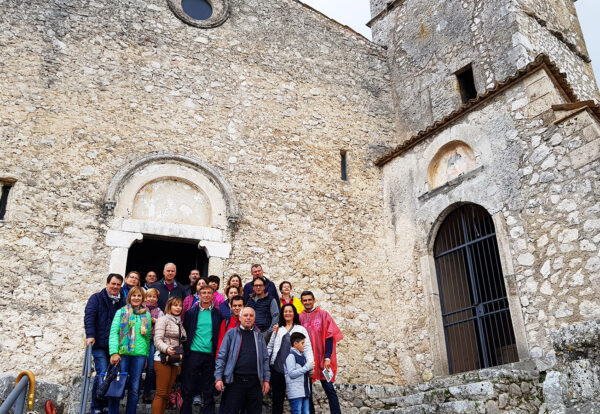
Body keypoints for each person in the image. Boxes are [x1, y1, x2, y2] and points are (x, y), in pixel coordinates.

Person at [215, 307, 270, 414]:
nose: (248, 318)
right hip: (235, 383)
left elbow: (265, 359)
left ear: (254, 318)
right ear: (240, 318)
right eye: (245, 315)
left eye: (251, 315)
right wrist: (218, 378)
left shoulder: (259, 336)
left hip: (255, 384)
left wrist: (266, 380)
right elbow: (221, 356)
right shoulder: (231, 333)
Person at [84, 273, 126, 414]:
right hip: (99, 344)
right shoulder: (96, 298)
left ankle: (107, 404)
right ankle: (96, 407)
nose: (115, 287)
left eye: (118, 284)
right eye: (113, 283)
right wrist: (90, 335)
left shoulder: (123, 302)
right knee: (102, 372)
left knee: (111, 374)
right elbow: (89, 316)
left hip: (114, 346)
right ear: (107, 284)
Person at [107, 287, 152, 414]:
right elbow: (114, 333)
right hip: (123, 355)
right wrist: (114, 352)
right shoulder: (121, 312)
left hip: (139, 355)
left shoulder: (146, 314)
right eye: (134, 295)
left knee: (134, 388)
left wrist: (146, 356)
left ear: (142, 298)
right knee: (117, 386)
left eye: (139, 296)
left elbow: (148, 337)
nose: (136, 298)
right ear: (129, 297)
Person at [299, 291, 343, 414]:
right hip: (308, 359)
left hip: (323, 358)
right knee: (307, 391)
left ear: (314, 300)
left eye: (309, 299)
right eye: (304, 300)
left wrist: (328, 357)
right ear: (302, 302)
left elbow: (330, 336)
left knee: (329, 388)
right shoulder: (300, 317)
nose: (307, 302)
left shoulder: (323, 315)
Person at [181, 285, 223, 414]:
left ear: (213, 295)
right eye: (203, 293)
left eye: (208, 293)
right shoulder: (191, 313)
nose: (206, 295)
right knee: (188, 388)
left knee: (208, 389)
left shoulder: (218, 314)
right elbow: (186, 332)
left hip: (209, 355)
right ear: (199, 295)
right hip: (193, 353)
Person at [267, 304, 314, 414]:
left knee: (304, 398)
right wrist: (267, 363)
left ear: (294, 314)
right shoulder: (278, 329)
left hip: (297, 371)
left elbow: (307, 348)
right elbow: (270, 347)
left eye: (290, 311)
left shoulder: (300, 329)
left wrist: (311, 365)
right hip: (278, 369)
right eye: (285, 311)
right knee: (277, 400)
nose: (287, 313)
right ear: (282, 314)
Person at [152, 296, 186, 414]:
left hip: (175, 360)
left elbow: (181, 340)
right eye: (175, 305)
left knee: (167, 394)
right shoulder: (163, 319)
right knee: (161, 393)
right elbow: (157, 340)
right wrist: (167, 349)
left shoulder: (178, 321)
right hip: (163, 359)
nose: (178, 308)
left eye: (180, 305)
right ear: (169, 306)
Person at [142, 288, 164, 403]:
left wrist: (157, 321)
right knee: (139, 366)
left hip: (152, 340)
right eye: (149, 296)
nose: (151, 299)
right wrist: (151, 320)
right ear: (145, 297)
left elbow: (163, 324)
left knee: (151, 367)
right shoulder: (140, 309)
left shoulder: (160, 311)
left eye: (154, 297)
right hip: (140, 340)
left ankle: (147, 392)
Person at [285, 332, 314, 414]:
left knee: (306, 412)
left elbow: (302, 372)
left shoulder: (303, 356)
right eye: (302, 343)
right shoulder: (291, 356)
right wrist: (307, 367)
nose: (304, 346)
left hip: (305, 391)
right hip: (296, 393)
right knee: (297, 412)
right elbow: (291, 374)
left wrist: (310, 372)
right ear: (295, 344)